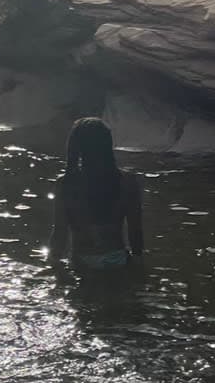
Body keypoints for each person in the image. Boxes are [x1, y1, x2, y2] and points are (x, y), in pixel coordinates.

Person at [48, 117, 144, 275]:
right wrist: (139, 264)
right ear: (108, 145)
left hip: (81, 262)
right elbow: (136, 232)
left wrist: (53, 264)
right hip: (117, 261)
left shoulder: (66, 184)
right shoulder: (127, 182)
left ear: (76, 147)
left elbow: (60, 234)